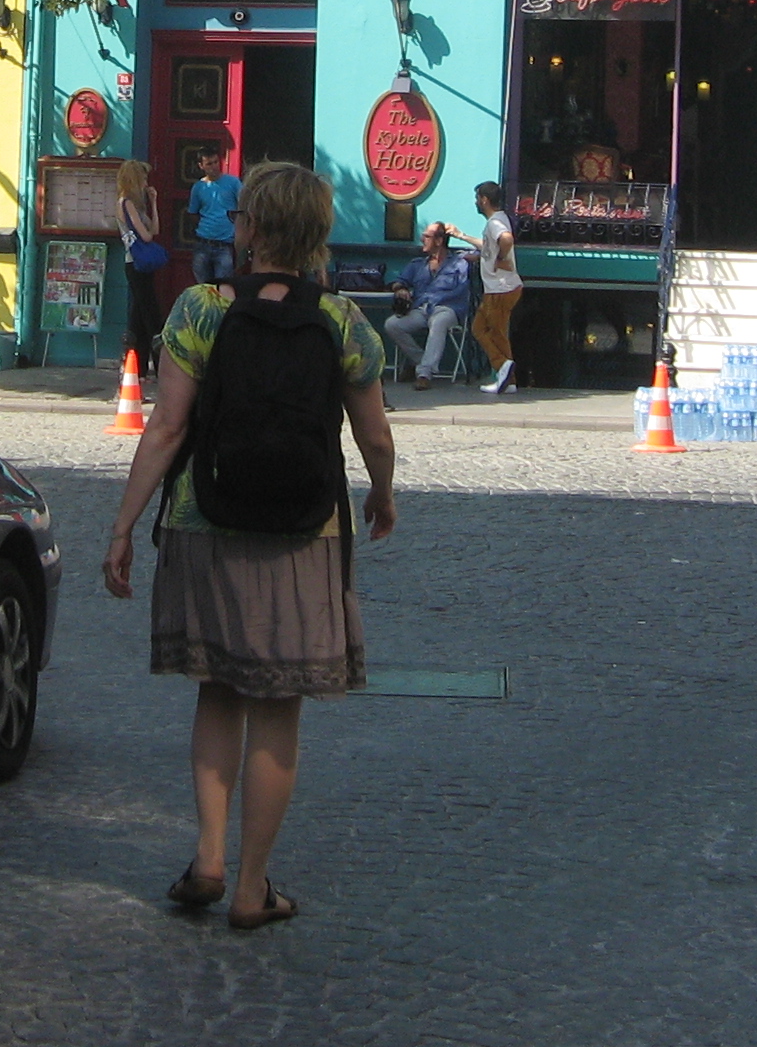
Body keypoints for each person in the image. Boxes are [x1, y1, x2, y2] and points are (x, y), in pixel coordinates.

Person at [102, 160, 397, 933]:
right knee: (276, 705)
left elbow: (166, 428)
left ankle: (207, 856)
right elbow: (374, 434)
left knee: (219, 690)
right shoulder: (343, 321)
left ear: (253, 228)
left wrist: (124, 525)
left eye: (240, 217)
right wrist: (383, 492)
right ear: (316, 234)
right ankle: (252, 886)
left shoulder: (200, 309)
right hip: (305, 530)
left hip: (206, 519)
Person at [382, 223, 472, 390]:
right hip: (422, 308)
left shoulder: (459, 263)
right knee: (392, 324)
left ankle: (424, 374)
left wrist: (461, 236)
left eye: (427, 236)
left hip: (447, 308)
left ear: (439, 240)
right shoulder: (417, 264)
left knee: (439, 322)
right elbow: (398, 281)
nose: (422, 239)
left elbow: (487, 254)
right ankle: (421, 362)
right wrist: (400, 289)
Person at [452, 181, 522, 394]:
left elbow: (506, 239)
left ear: (484, 200)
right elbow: (490, 246)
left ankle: (503, 367)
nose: (476, 202)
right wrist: (464, 238)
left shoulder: (495, 223)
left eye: (477, 198)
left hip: (500, 288)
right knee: (485, 330)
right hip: (500, 288)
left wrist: (499, 259)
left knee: (490, 333)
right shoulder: (498, 219)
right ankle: (508, 379)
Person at [118, 158, 169, 378]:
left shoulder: (137, 206)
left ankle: (137, 367)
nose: (146, 182)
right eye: (143, 178)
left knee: (139, 316)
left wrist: (153, 203)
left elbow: (154, 229)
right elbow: (146, 236)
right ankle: (159, 364)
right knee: (151, 314)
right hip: (135, 264)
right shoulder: (126, 203)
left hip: (141, 265)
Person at [185, 146, 242, 287]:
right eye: (209, 164)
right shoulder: (199, 187)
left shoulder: (233, 183)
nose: (214, 167)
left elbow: (244, 208)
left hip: (225, 245)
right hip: (203, 243)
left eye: (216, 162)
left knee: (223, 288)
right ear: (201, 166)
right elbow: (193, 213)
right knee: (203, 289)